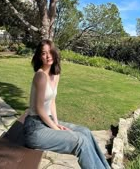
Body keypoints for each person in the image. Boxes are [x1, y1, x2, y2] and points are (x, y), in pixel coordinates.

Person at [22, 39, 110, 169]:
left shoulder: (55, 75)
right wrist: (56, 128)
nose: (48, 56)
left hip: (47, 121)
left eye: (50, 52)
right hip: (34, 129)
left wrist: (56, 123)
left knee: (85, 132)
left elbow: (52, 102)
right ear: (39, 57)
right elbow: (40, 109)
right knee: (80, 141)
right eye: (44, 53)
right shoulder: (40, 76)